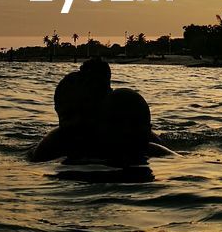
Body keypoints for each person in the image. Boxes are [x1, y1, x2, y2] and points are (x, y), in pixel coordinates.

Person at [28, 60, 175, 166]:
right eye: (67, 116)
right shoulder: (56, 141)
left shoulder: (136, 137)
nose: (76, 122)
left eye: (84, 113)